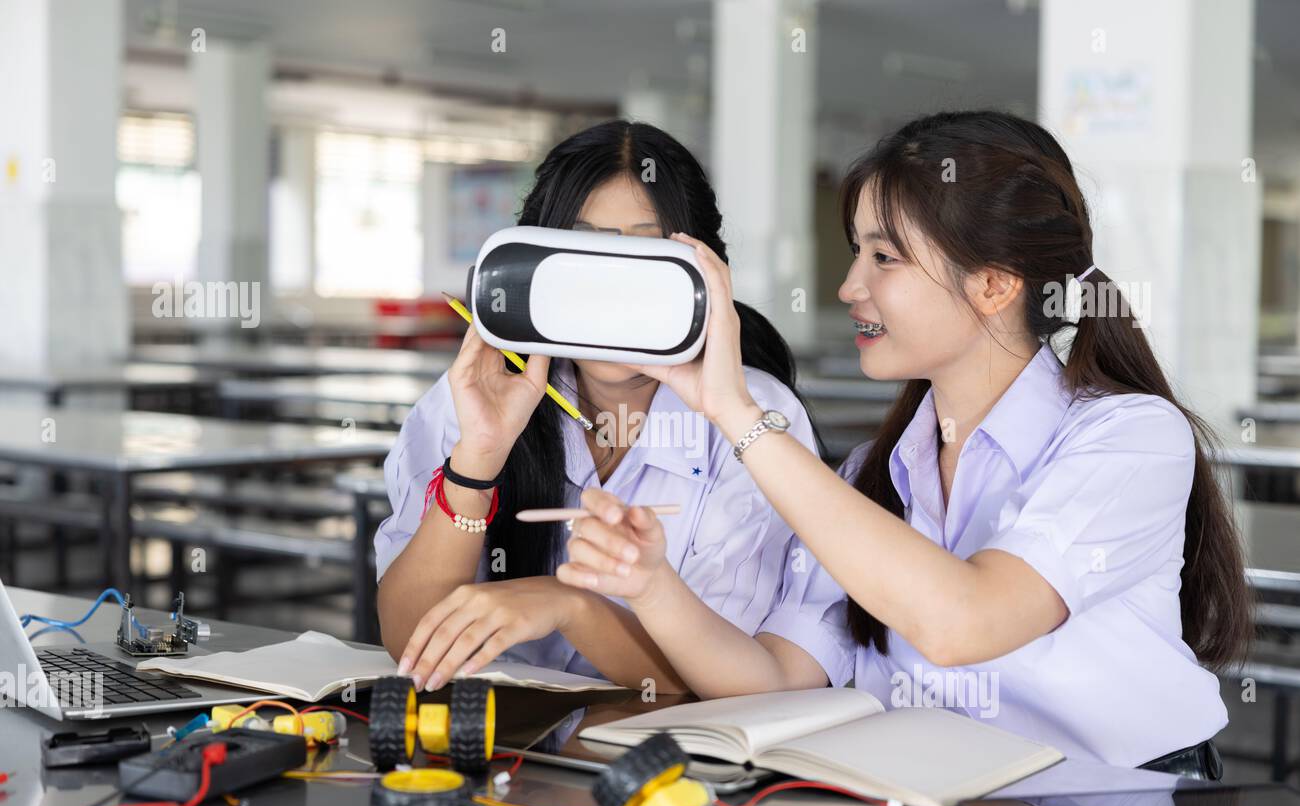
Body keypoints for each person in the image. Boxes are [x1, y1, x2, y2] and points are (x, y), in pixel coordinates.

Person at [558, 110, 1250, 772]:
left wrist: (738, 414)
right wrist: (650, 585)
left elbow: (964, 621)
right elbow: (773, 677)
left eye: (883, 256)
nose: (850, 285)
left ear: (994, 283)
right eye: (858, 250)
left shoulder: (1128, 438)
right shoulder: (874, 474)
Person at [375, 119, 822, 693]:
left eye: (645, 251)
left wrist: (571, 607)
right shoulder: (474, 395)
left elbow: (724, 681)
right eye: (585, 250)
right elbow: (412, 640)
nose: (613, 288)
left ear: (702, 271)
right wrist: (477, 459)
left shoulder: (752, 415)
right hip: (507, 752)